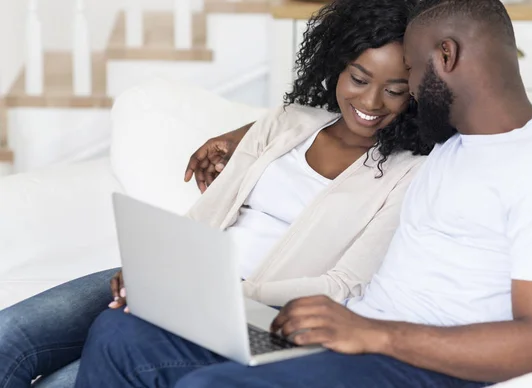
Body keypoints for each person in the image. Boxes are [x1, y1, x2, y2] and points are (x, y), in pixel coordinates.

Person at [74, 0, 532, 387]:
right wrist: (243, 136)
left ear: (447, 56)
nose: (407, 95)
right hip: (353, 337)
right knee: (122, 335)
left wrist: (375, 334)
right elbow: (325, 127)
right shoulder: (454, 148)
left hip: (415, 364)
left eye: (409, 75)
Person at [0, 0, 430, 386]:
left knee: (70, 378)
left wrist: (221, 293)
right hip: (183, 278)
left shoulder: (409, 173)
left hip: (259, 316)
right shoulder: (288, 122)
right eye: (359, 78)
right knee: (10, 335)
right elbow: (206, 214)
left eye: (394, 91)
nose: (372, 102)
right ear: (337, 64)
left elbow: (345, 285)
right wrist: (154, 267)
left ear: (415, 93)